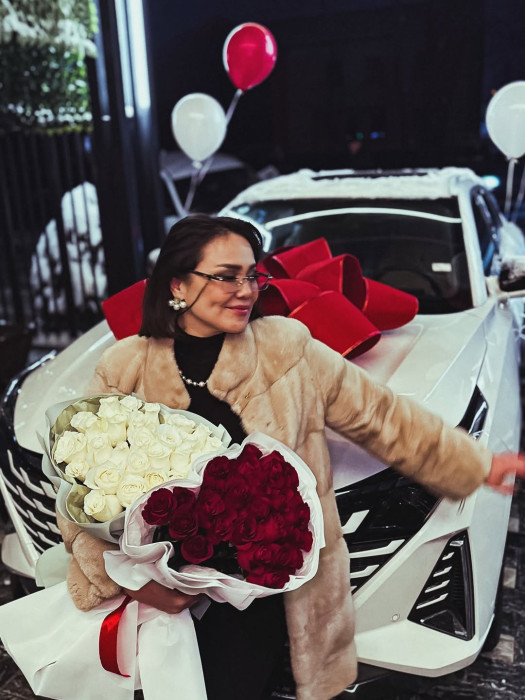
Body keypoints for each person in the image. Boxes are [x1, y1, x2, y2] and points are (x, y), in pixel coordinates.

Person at [56, 214, 525, 700]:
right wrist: (129, 581)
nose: (245, 290)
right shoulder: (124, 366)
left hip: (268, 587)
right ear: (178, 283)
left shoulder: (287, 348)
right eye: (226, 276)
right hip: (162, 597)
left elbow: (382, 416)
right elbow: (78, 486)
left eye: (252, 275)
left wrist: (479, 464)